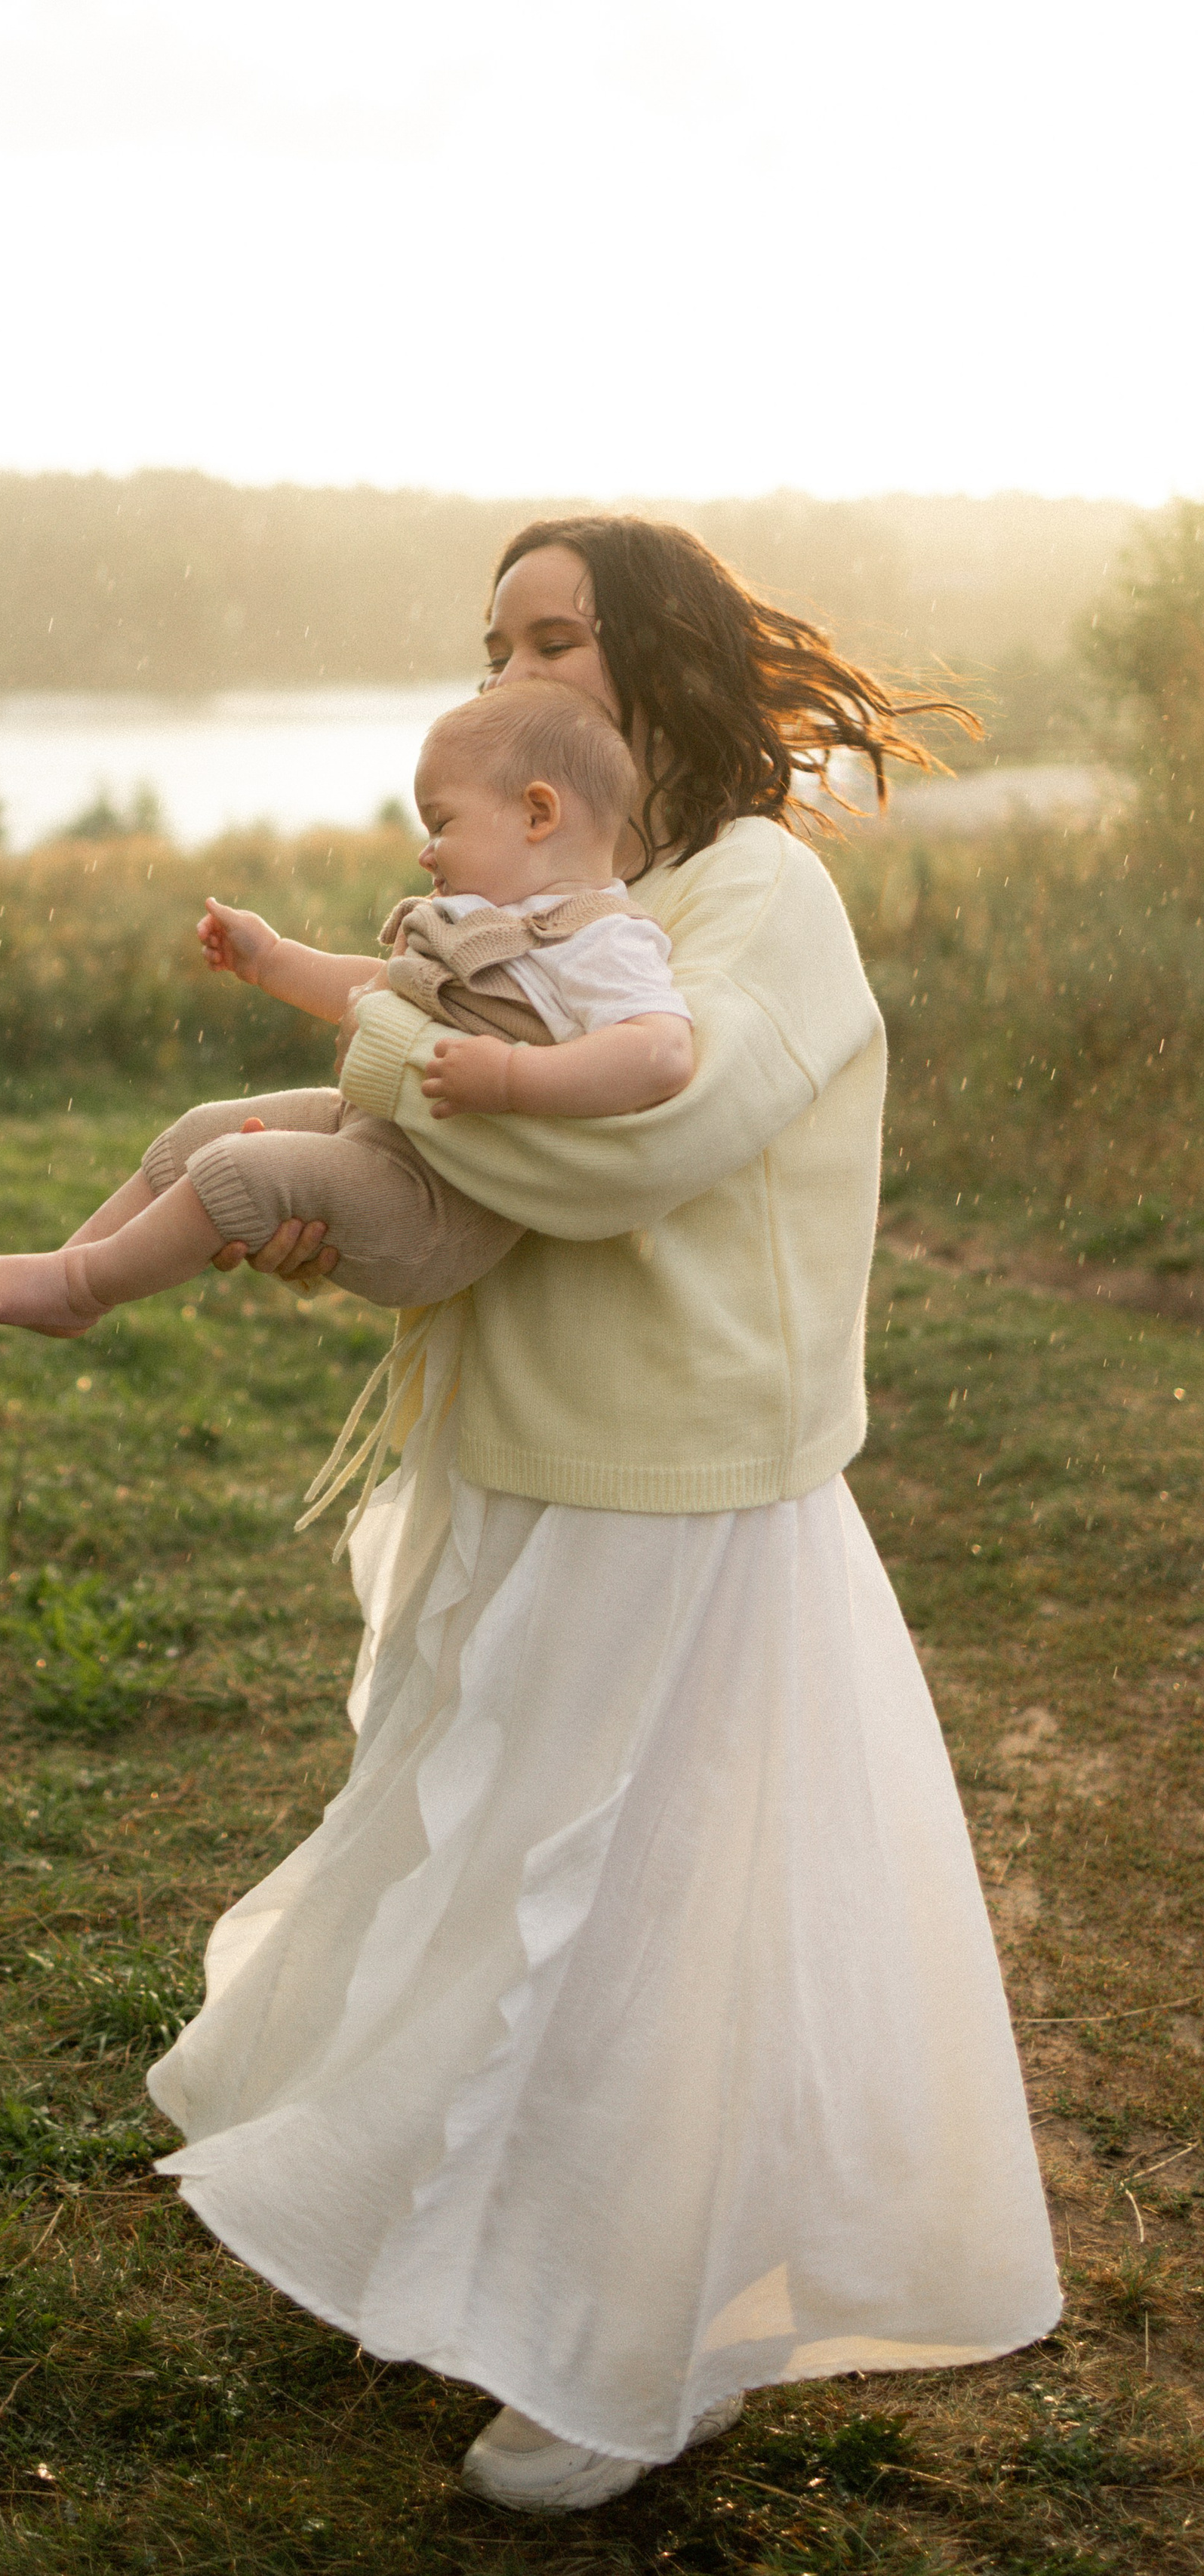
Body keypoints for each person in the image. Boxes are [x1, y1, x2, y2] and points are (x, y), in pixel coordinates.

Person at [142, 516, 1063, 2516]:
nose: (527, 668)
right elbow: (475, 1199)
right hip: (523, 1449)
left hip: (684, 1490)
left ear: (665, 660)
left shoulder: (760, 897)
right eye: (498, 640)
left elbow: (630, 1149)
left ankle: (636, 2351)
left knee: (642, 1930)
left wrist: (377, 1050)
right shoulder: (567, 881)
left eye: (563, 632)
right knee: (480, 1882)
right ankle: (474, 2247)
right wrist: (335, 1219)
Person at [0, 682, 691, 1336]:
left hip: (440, 1206)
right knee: (202, 1129)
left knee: (240, 1168)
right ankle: (67, 1269)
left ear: (537, 814)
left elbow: (659, 1051)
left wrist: (510, 1078)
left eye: (442, 823)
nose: (426, 852)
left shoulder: (602, 937)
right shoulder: (479, 922)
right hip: (379, 1137)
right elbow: (380, 987)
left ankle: (80, 1286)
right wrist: (273, 961)